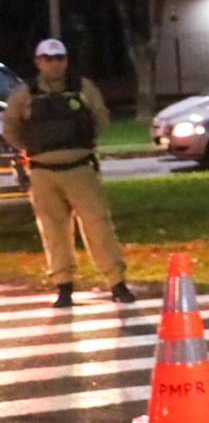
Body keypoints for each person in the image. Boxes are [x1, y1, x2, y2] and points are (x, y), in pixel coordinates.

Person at [2, 39, 135, 307]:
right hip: (43, 172)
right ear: (38, 61)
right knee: (53, 230)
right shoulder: (25, 93)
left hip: (79, 169)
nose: (54, 63)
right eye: (48, 58)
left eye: (59, 57)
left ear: (66, 59)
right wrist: (33, 149)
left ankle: (116, 282)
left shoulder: (82, 88)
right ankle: (64, 285)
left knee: (98, 226)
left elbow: (100, 119)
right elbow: (11, 127)